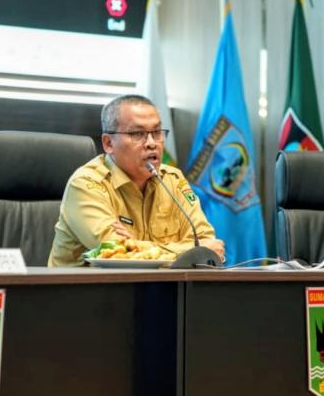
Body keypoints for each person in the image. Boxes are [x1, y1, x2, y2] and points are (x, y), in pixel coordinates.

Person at [48, 94, 225, 267]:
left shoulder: (172, 180)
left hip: (155, 291)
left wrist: (138, 247)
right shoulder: (86, 184)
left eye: (157, 132)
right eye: (138, 133)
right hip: (82, 292)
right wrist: (189, 251)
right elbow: (118, 254)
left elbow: (208, 245)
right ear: (109, 143)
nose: (151, 143)